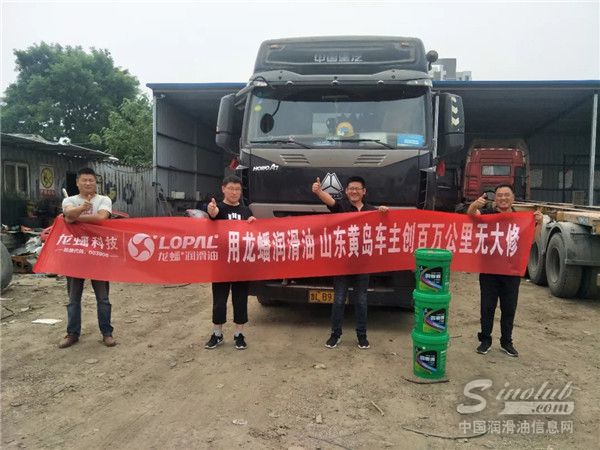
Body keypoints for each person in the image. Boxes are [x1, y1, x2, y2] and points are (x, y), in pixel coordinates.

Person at [312, 175, 388, 349]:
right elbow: (330, 201)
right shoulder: (342, 207)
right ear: (346, 191)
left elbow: (386, 222)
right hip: (342, 263)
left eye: (357, 189)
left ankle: (362, 336)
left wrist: (384, 211)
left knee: (361, 300)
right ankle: (335, 334)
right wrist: (319, 192)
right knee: (339, 299)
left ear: (364, 191)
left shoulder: (371, 210)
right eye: (351, 189)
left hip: (363, 263)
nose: (354, 191)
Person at [467, 184, 543, 357]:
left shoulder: (520, 219)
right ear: (495, 198)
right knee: (487, 307)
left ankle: (506, 342)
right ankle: (485, 340)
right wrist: (474, 205)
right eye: (500, 195)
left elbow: (531, 240)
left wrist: (539, 223)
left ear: (513, 198)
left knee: (509, 308)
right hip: (489, 270)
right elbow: (471, 216)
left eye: (506, 195)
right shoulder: (487, 214)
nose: (503, 198)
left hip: (511, 271)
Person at [59, 168, 115, 348]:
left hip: (98, 255)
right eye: (84, 180)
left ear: (95, 182)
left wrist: (75, 217)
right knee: (73, 299)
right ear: (77, 182)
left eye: (91, 180)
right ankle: (72, 333)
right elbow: (68, 213)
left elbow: (101, 218)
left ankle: (107, 333)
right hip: (75, 257)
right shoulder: (69, 200)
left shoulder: (104, 200)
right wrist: (80, 209)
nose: (88, 183)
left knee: (103, 299)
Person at [205, 175, 256, 350]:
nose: (234, 192)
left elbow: (253, 234)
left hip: (241, 264)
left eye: (237, 189)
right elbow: (213, 215)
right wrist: (211, 210)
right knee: (219, 300)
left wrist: (253, 223)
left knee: (240, 300)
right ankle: (217, 334)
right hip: (221, 264)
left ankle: (239, 334)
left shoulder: (246, 211)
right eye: (231, 189)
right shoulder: (218, 208)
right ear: (223, 189)